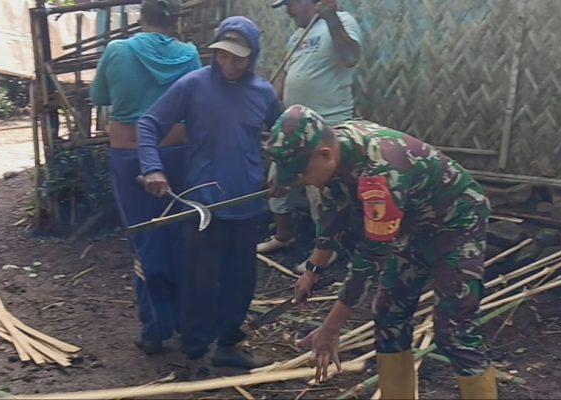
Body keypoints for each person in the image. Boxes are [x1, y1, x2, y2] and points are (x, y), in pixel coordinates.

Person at [265, 105, 498, 400]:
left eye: (301, 172)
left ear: (325, 154)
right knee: (388, 315)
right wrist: (313, 269)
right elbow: (332, 217)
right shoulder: (335, 150)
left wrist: (331, 329)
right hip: (411, 225)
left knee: (454, 332)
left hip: (455, 224)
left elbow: (369, 261)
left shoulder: (379, 175)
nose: (302, 180)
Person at [137, 16, 282, 379]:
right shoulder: (193, 86)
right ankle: (196, 353)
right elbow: (148, 124)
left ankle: (228, 346)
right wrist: (153, 167)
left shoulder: (264, 93)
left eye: (238, 58)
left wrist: (287, 175)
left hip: (247, 204)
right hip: (203, 206)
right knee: (199, 280)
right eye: (223, 55)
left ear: (253, 57)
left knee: (241, 280)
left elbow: (284, 137)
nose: (229, 64)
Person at [89, 0, 201, 356]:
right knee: (181, 235)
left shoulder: (117, 51)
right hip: (179, 156)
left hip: (131, 157)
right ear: (176, 20)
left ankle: (155, 328)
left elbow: (100, 97)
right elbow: (197, 102)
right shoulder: (190, 54)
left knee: (146, 239)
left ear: (143, 16)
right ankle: (188, 323)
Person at [257, 0, 362, 274]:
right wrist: (263, 103)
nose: (288, 11)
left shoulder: (341, 22)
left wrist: (331, 19)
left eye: (290, 4)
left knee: (321, 193)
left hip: (328, 125)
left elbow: (351, 57)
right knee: (276, 181)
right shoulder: (297, 36)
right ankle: (283, 235)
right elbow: (285, 79)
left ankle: (325, 253)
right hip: (295, 127)